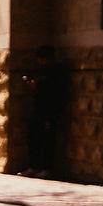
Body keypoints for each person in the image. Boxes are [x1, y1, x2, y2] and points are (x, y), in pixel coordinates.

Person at [19, 45, 66, 179]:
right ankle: (34, 166)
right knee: (33, 137)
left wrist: (34, 85)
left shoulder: (55, 72)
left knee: (47, 140)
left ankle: (46, 168)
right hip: (39, 109)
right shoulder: (44, 70)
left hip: (49, 110)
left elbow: (48, 88)